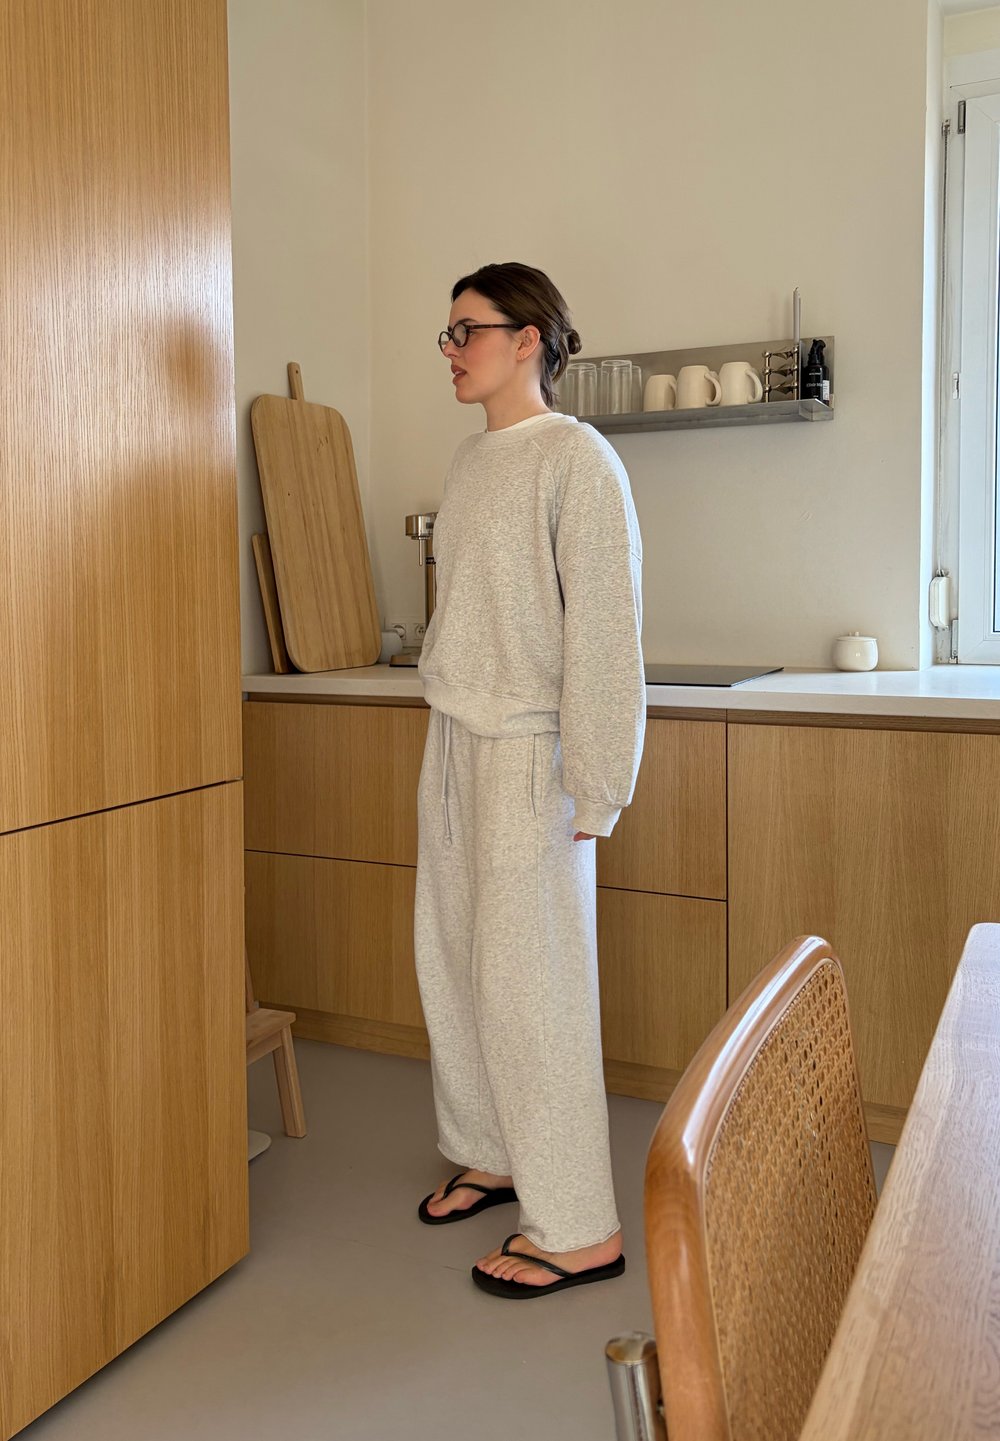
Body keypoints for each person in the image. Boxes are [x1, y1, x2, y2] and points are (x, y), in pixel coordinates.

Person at [414, 261, 645, 1298]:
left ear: (528, 341)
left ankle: (578, 1224)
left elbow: (604, 633)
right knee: (454, 961)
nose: (451, 350)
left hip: (527, 753)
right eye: (447, 333)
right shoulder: (471, 461)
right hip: (454, 739)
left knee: (532, 987)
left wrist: (597, 782)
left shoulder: (578, 459)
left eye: (466, 330)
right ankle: (493, 1151)